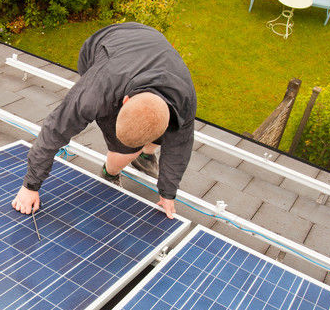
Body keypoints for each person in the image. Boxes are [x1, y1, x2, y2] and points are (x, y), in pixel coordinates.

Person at [11, 22, 196, 219]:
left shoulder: (184, 101)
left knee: (157, 136)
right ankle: (110, 173)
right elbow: (56, 128)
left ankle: (144, 156)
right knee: (126, 148)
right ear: (124, 102)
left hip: (145, 53)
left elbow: (179, 147)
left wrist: (167, 193)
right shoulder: (98, 89)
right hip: (107, 47)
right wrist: (30, 186)